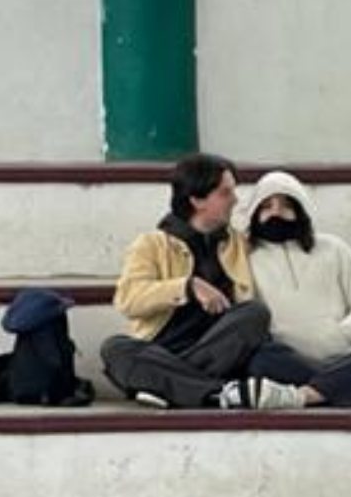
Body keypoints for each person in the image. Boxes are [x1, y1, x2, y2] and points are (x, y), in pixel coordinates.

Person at [104, 154, 316, 412]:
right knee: (116, 349)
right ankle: (217, 392)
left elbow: (286, 239)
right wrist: (188, 286)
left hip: (223, 352)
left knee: (254, 315)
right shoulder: (152, 244)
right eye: (225, 193)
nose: (235, 200)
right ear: (197, 200)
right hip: (163, 351)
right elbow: (128, 299)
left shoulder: (238, 243)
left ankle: (170, 387)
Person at [242, 170, 351, 409]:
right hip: (286, 360)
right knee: (260, 362)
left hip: (344, 357)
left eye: (286, 205)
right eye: (266, 206)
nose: (276, 213)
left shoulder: (333, 248)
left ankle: (303, 396)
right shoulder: (244, 259)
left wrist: (347, 332)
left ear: (301, 210)